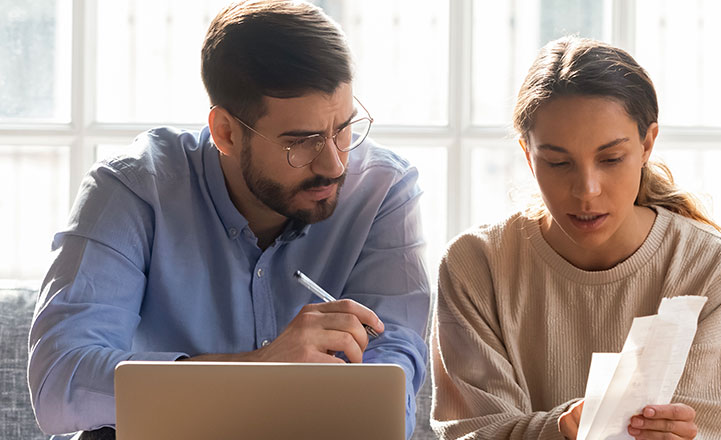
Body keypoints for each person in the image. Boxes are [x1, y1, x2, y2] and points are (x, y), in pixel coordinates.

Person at [28, 2, 429, 439]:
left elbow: (392, 371)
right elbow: (59, 381)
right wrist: (261, 368)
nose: (334, 163)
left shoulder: (383, 190)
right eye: (302, 141)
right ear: (226, 133)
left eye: (344, 129)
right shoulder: (134, 189)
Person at [430, 36, 721, 440]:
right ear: (529, 157)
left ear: (647, 144)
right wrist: (562, 430)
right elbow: (471, 432)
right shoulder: (475, 266)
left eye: (611, 159)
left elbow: (704, 430)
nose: (586, 190)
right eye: (558, 162)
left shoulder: (712, 270)